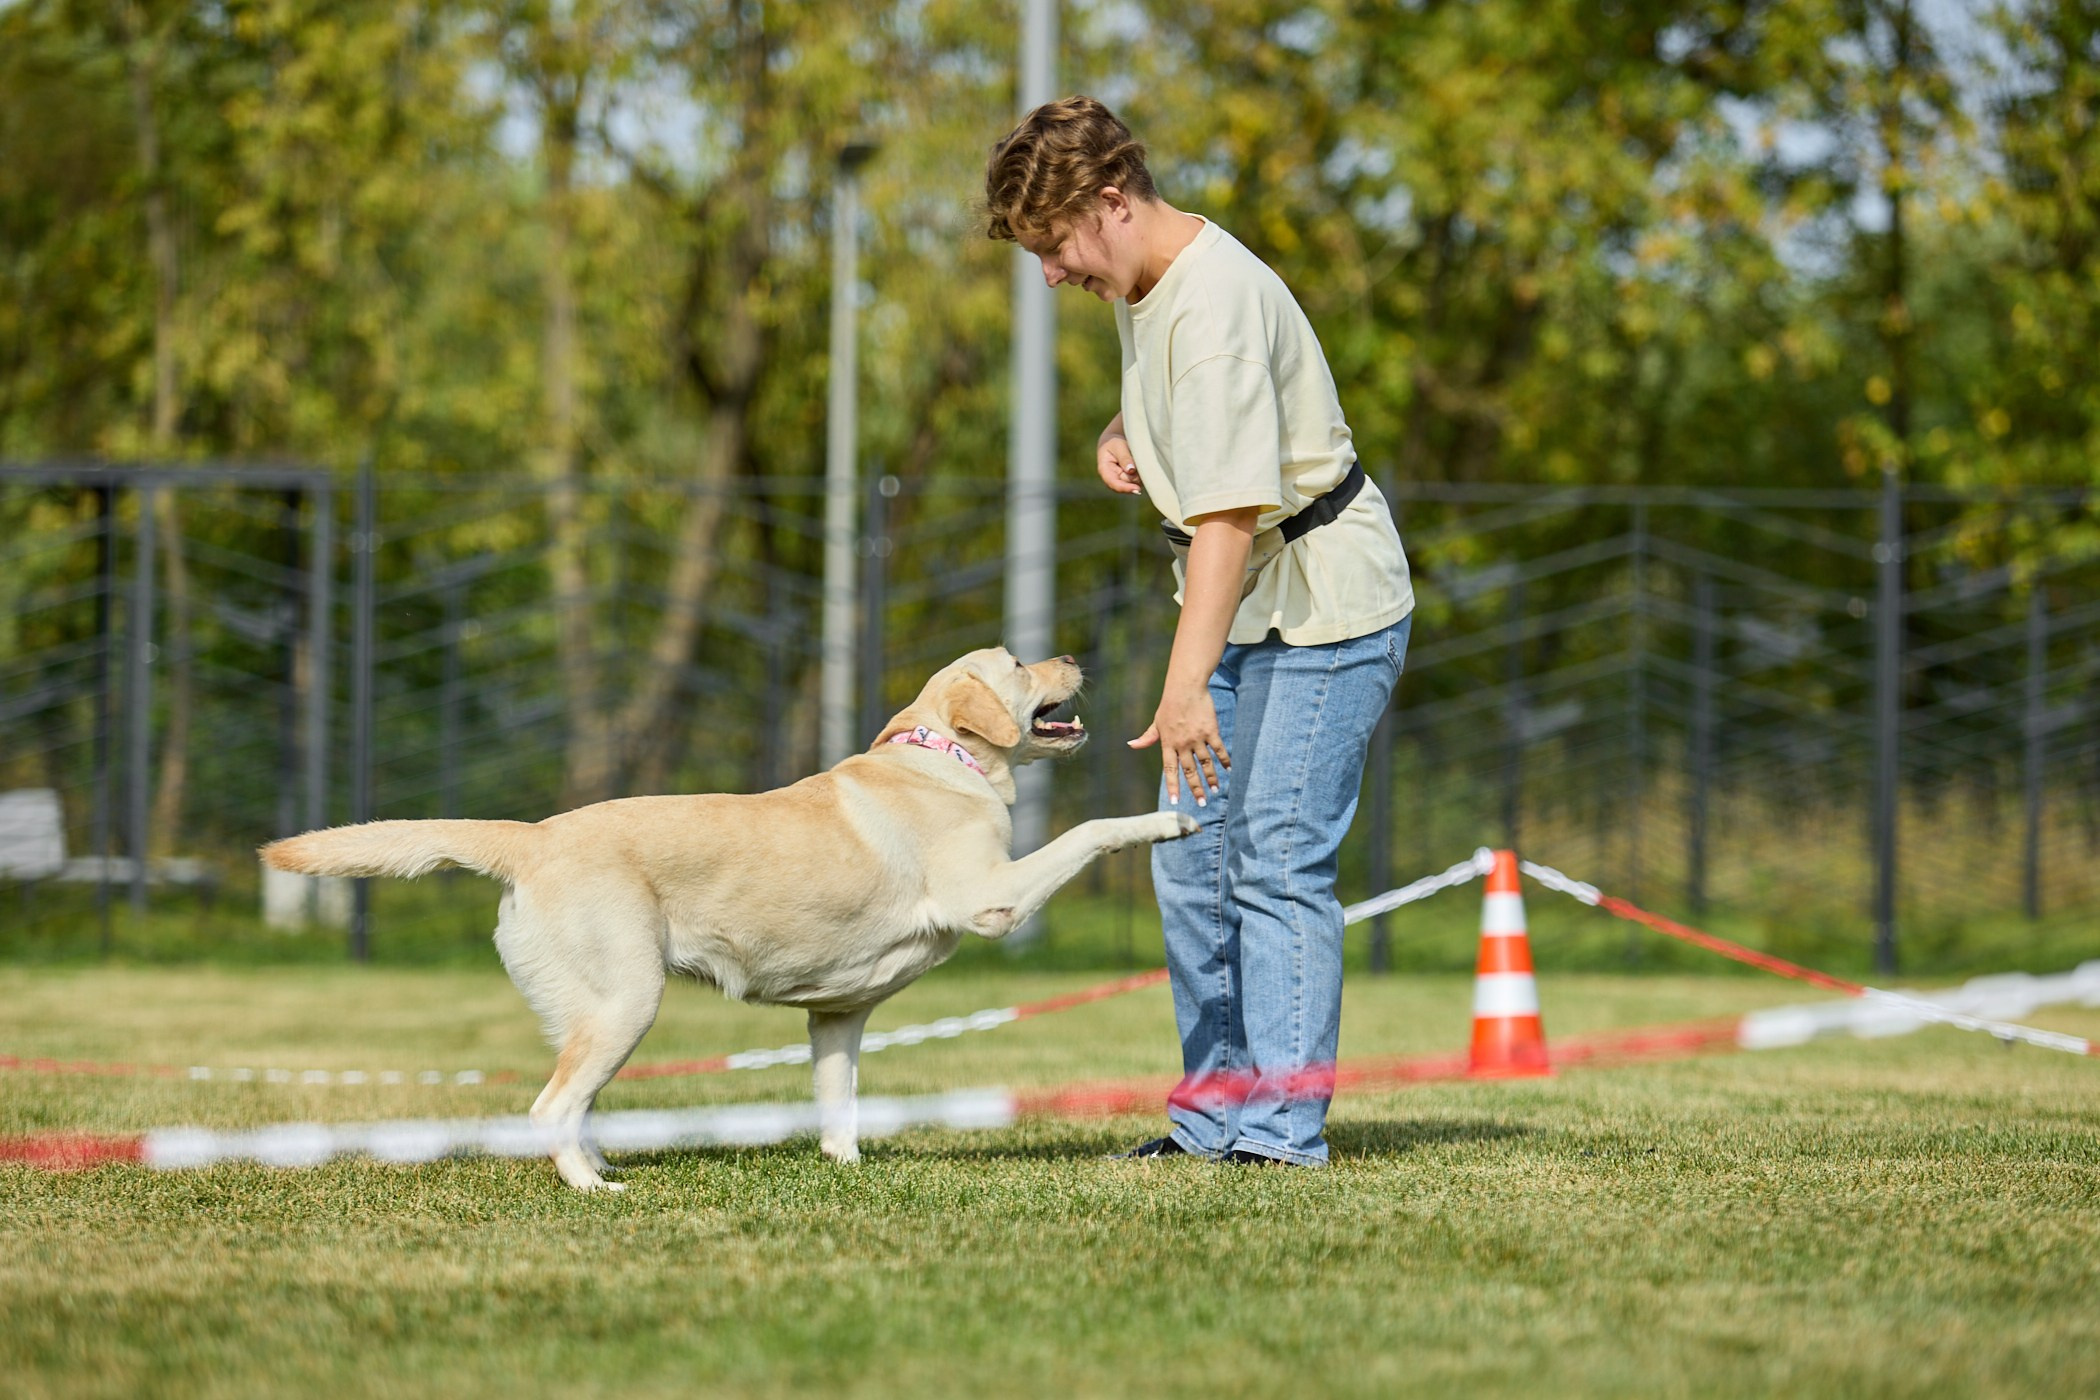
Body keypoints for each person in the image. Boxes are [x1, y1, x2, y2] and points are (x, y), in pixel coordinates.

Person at [983, 96, 1414, 1166]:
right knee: (1189, 858)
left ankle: (1278, 1129)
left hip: (1324, 607)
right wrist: (1129, 426)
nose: (1052, 274)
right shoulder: (1156, 279)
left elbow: (1225, 521)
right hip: (1249, 604)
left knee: (1273, 859)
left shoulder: (1212, 305)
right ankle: (1211, 1115)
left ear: (1112, 201)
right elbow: (1203, 414)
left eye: (1055, 247)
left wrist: (1185, 687)